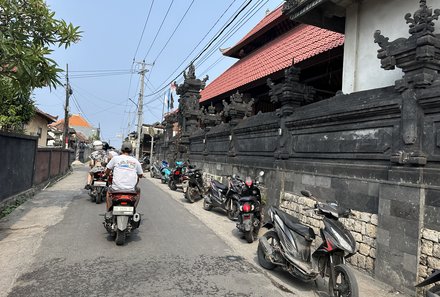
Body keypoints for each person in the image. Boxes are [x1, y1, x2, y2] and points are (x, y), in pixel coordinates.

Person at [104, 141, 143, 211]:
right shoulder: (136, 161)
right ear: (131, 151)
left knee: (108, 191)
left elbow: (107, 170)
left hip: (116, 189)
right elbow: (140, 175)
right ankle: (133, 209)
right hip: (131, 190)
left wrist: (106, 174)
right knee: (138, 190)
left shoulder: (115, 159)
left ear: (121, 150)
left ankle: (109, 210)